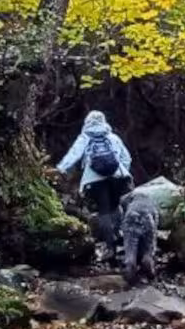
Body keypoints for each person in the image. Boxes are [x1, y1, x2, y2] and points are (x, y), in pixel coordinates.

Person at [55, 110, 133, 260]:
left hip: (95, 180)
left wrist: (60, 169)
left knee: (103, 212)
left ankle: (110, 248)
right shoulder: (113, 137)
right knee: (116, 206)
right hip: (117, 177)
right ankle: (120, 236)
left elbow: (73, 155)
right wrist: (122, 171)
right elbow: (126, 158)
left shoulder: (85, 138)